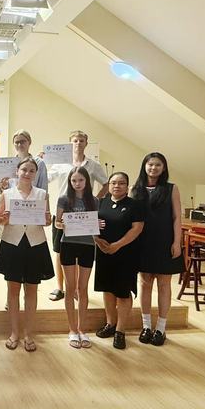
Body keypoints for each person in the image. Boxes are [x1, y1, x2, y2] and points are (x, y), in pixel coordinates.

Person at [0, 157, 54, 352]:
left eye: (31, 170)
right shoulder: (6, 193)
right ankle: (14, 333)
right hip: (12, 243)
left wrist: (47, 220)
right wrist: (3, 219)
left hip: (35, 244)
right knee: (13, 291)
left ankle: (28, 334)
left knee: (31, 290)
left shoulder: (42, 194)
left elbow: (46, 221)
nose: (27, 173)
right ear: (17, 171)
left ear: (35, 174)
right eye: (24, 170)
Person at [47, 130, 108, 301]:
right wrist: (41, 162)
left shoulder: (93, 164)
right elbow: (47, 178)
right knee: (60, 250)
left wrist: (96, 200)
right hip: (63, 213)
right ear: (70, 143)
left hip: (84, 216)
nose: (78, 143)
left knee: (82, 249)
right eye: (75, 140)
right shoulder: (60, 162)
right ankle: (61, 288)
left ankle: (77, 290)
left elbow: (106, 184)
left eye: (81, 140)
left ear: (86, 143)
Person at [131, 152, 184, 346]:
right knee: (145, 283)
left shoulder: (171, 188)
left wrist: (177, 242)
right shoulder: (135, 189)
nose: (153, 168)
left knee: (164, 284)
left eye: (158, 165)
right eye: (150, 164)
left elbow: (177, 218)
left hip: (165, 241)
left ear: (164, 168)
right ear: (144, 166)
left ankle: (161, 328)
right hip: (142, 242)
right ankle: (146, 326)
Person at [94, 172, 144, 349]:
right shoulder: (101, 203)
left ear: (127, 186)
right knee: (107, 289)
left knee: (122, 292)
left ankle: (120, 331)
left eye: (121, 183)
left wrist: (117, 245)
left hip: (126, 253)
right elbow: (90, 225)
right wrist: (97, 240)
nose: (117, 186)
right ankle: (110, 323)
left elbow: (137, 228)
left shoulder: (134, 205)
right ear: (108, 185)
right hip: (103, 252)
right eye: (113, 183)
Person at [56, 167, 99, 349]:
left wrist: (98, 224)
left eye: (80, 180)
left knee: (83, 288)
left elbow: (95, 223)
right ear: (70, 182)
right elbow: (57, 223)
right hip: (68, 244)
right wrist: (63, 224)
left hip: (87, 246)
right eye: (74, 180)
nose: (77, 183)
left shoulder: (94, 200)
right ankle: (72, 329)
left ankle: (82, 329)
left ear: (87, 181)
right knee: (70, 288)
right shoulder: (64, 199)